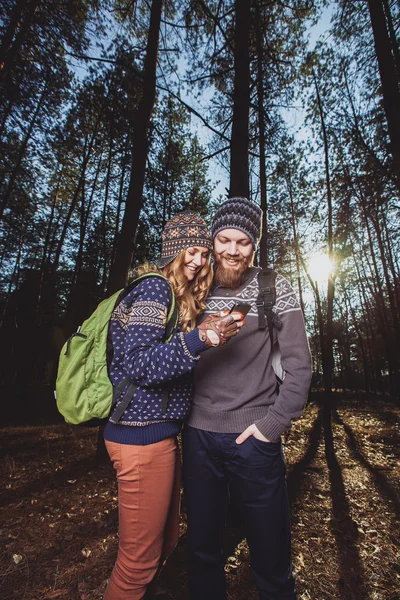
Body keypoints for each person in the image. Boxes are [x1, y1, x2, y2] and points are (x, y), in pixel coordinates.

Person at [103, 210, 244, 600]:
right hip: (139, 439)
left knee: (163, 545)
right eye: (191, 252)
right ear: (173, 252)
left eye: (203, 254)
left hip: (158, 436)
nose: (199, 262)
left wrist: (205, 331)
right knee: (137, 563)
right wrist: (199, 339)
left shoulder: (175, 298)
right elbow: (139, 363)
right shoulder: (155, 291)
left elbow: (167, 357)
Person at [182, 197, 312, 600]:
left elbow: (300, 368)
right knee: (203, 552)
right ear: (213, 240)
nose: (232, 250)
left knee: (271, 556)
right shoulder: (195, 287)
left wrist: (271, 426)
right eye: (224, 240)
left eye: (243, 242)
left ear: (254, 245)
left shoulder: (275, 288)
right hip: (199, 437)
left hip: (254, 442)